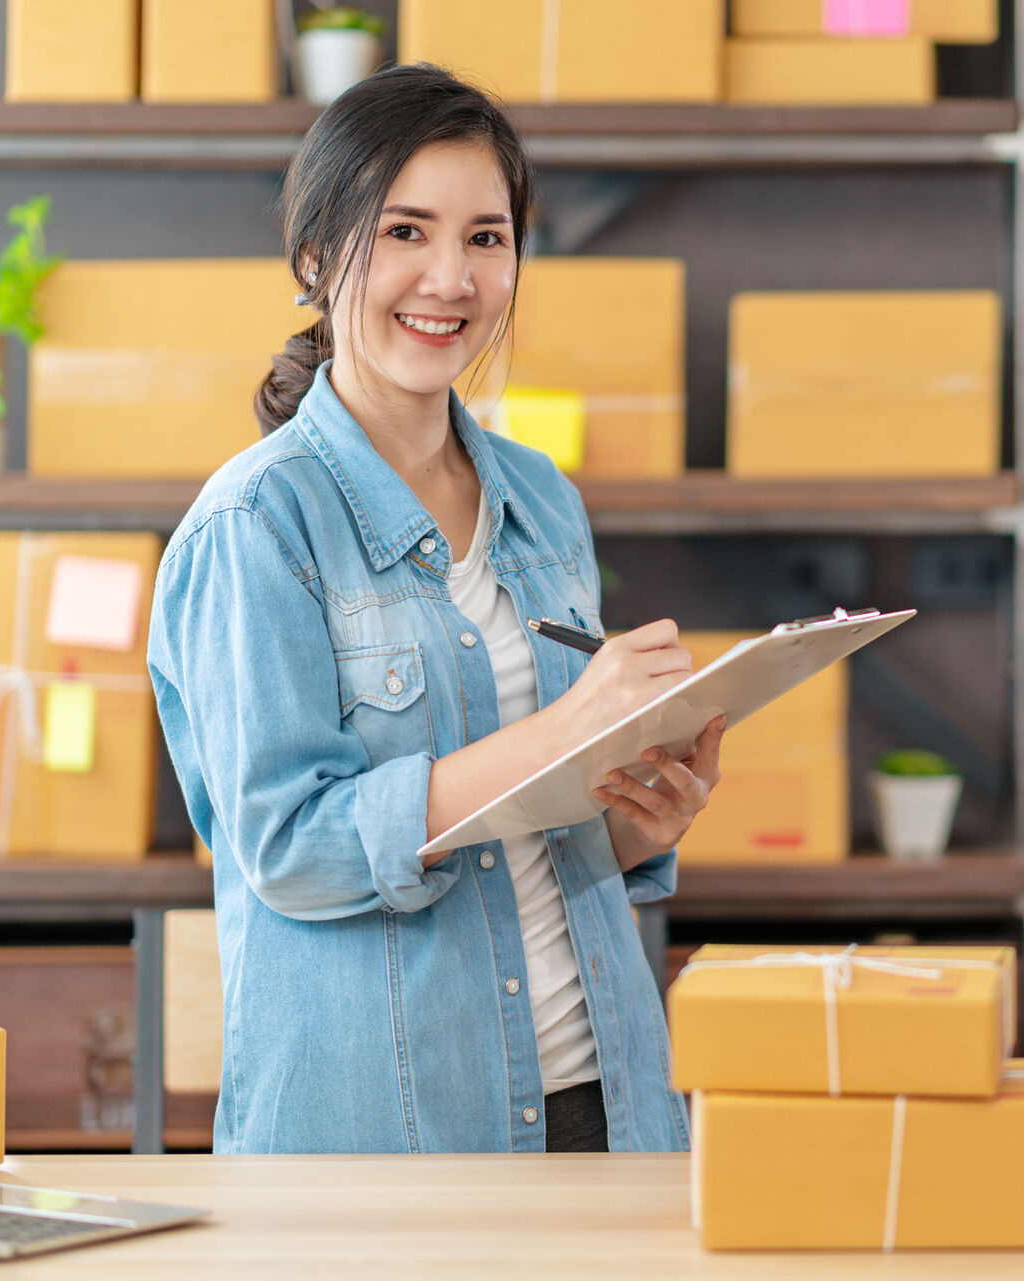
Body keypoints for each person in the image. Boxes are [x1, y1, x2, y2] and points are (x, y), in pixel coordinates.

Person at [147, 64, 721, 1156]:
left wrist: (637, 815)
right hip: (391, 1135)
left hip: (604, 1102)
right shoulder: (257, 527)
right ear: (317, 257)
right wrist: (561, 732)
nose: (449, 278)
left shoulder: (542, 500)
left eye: (487, 238)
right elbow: (292, 848)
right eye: (406, 231)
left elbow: (540, 825)